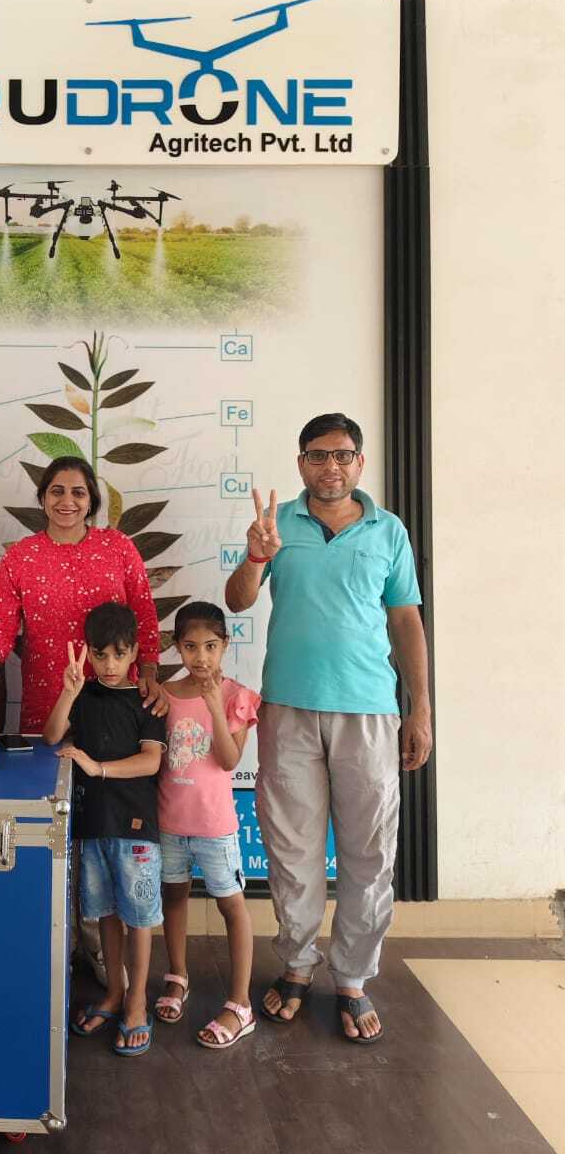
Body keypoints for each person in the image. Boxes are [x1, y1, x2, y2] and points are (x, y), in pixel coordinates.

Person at [225, 412, 432, 1044]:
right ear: (301, 463)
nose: (331, 466)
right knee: (292, 848)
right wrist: (256, 556)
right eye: (318, 455)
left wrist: (420, 707)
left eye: (343, 455)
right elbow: (237, 600)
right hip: (288, 707)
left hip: (369, 710)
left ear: (359, 463)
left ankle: (353, 978)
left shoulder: (388, 530)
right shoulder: (277, 524)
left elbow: (405, 621)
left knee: (370, 850)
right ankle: (296, 965)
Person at [0, 455, 166, 726]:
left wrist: (149, 672)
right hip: (47, 706)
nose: (67, 501)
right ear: (43, 498)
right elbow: (0, 630)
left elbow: (144, 615)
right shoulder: (20, 557)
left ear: (91, 502)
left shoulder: (118, 547)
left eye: (78, 493)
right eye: (57, 491)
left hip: (116, 703)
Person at [42, 603, 166, 1057]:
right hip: (92, 824)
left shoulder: (148, 700)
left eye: (119, 653)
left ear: (134, 652)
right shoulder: (85, 695)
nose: (110, 664)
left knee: (139, 919)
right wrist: (68, 693)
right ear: (87, 652)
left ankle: (137, 1002)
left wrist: (97, 768)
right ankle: (114, 993)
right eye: (100, 654)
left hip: (135, 827)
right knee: (106, 914)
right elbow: (52, 736)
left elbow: (151, 760)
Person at [154, 602, 260, 1049]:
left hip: (215, 827)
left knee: (231, 905)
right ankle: (177, 976)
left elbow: (229, 760)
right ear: (177, 647)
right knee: (173, 897)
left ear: (225, 645)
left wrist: (215, 706)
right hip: (169, 821)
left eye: (211, 646)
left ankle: (240, 1004)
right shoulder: (164, 694)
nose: (201, 657)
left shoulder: (236, 695)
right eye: (191, 646)